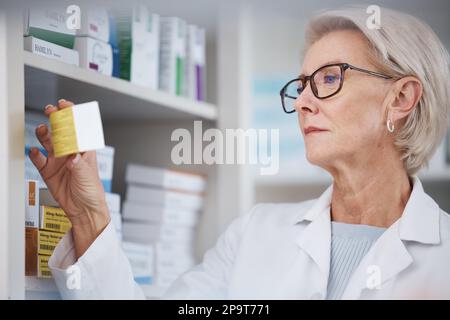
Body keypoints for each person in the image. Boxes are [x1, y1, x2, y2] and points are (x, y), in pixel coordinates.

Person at [29, 6, 450, 299]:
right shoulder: (255, 234)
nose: (303, 102)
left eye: (328, 79)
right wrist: (89, 216)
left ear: (401, 98)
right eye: (301, 86)